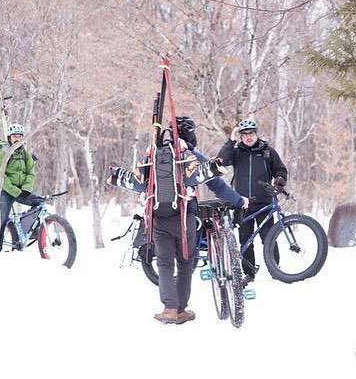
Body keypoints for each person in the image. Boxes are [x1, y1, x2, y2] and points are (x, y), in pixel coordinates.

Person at [107, 116, 248, 325]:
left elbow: (139, 183)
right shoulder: (190, 156)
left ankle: (169, 309)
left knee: (164, 264)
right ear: (190, 134)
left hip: (158, 218)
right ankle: (182, 310)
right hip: (185, 217)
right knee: (185, 263)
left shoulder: (153, 156)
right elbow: (218, 186)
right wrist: (239, 200)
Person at [216, 118, 288, 284]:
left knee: (269, 238)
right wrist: (231, 140)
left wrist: (279, 181)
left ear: (256, 134)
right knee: (245, 240)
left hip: (265, 203)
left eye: (251, 133)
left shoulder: (267, 151)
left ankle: (275, 270)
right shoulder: (236, 152)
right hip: (242, 203)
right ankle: (249, 273)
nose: (248, 137)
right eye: (245, 134)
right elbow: (220, 161)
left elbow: (280, 170)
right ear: (241, 136)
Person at [0, 123, 41, 251]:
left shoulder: (26, 155)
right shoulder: (1, 155)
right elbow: (0, 177)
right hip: (5, 191)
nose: (17, 138)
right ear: (9, 138)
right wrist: (15, 192)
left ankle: (31, 230)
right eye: (14, 136)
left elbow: (31, 173)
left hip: (22, 190)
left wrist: (26, 189)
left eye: (20, 136)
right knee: (1, 219)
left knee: (39, 204)